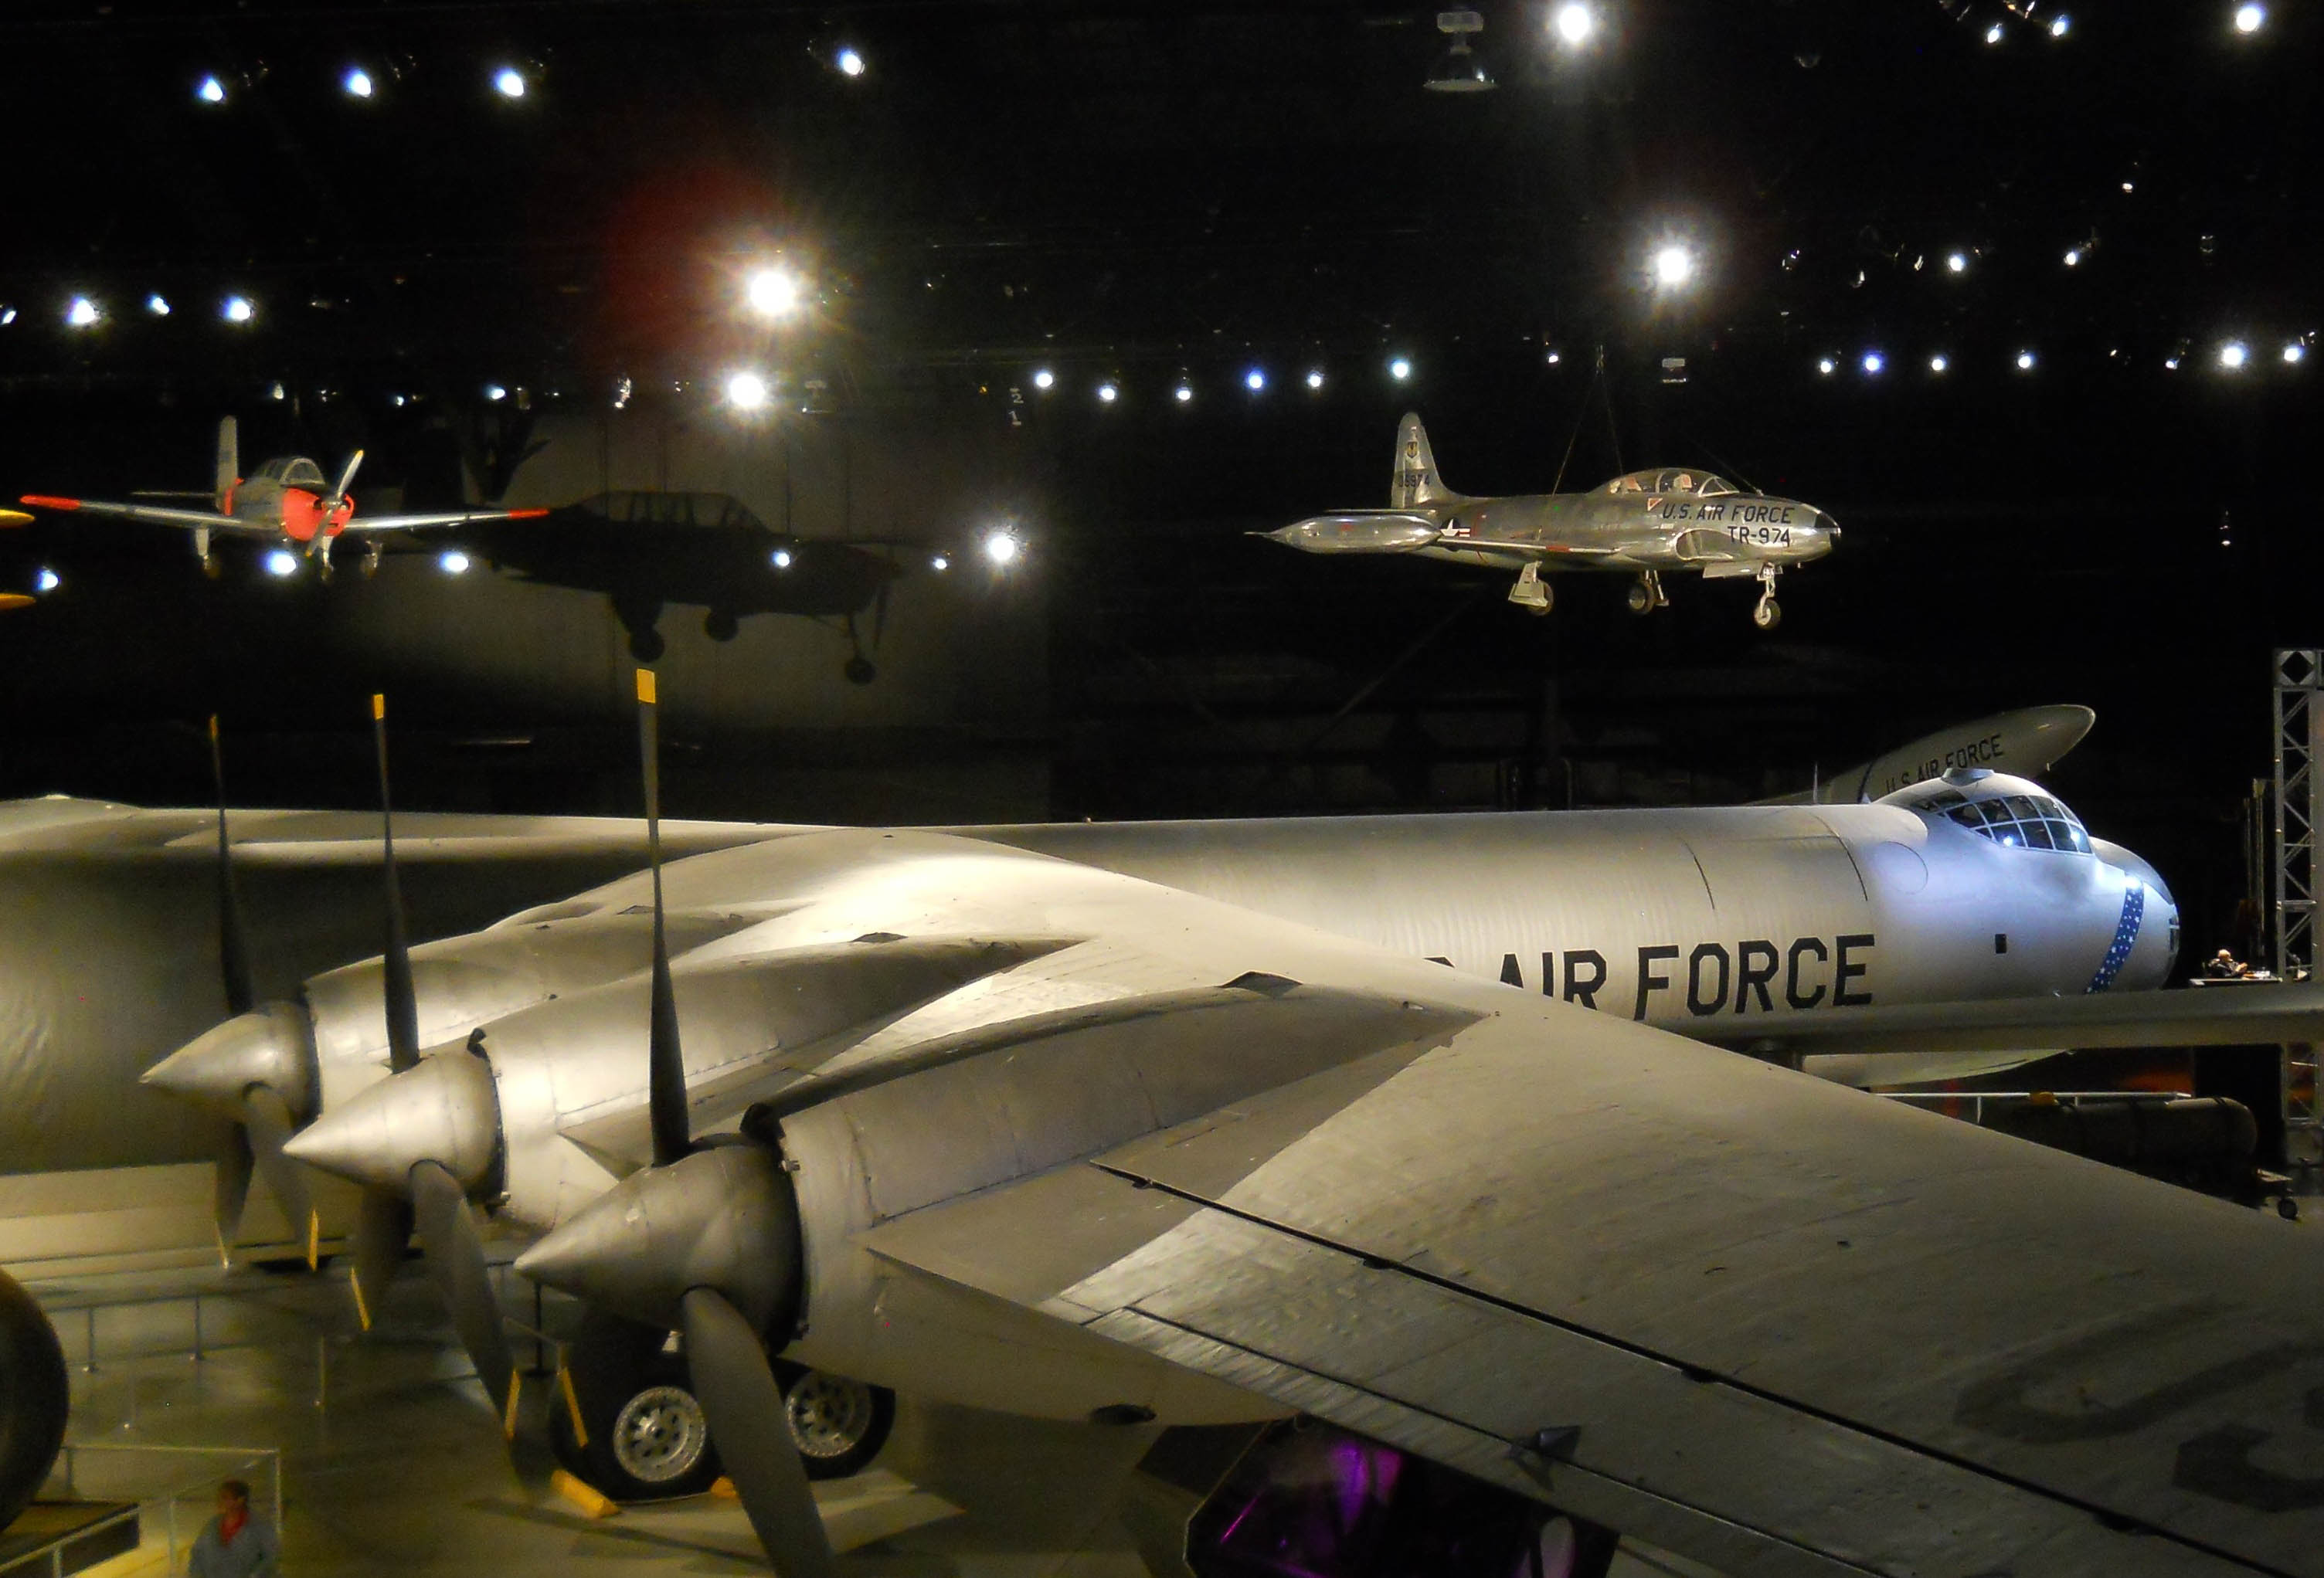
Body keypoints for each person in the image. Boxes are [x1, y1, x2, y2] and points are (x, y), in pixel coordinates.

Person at [188, 1478, 277, 1578]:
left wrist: (254, 1576)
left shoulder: (260, 1526)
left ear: (240, 1500)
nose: (220, 1501)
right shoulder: (211, 1526)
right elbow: (197, 1555)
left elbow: (271, 1557)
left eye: (225, 1498)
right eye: (220, 1498)